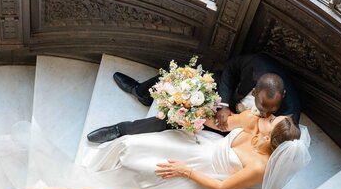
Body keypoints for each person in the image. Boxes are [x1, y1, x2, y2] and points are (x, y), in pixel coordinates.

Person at [78, 111, 310, 189]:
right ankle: (101, 161)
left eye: (272, 120)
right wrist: (188, 110)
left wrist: (185, 171)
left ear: (270, 138)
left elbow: (221, 188)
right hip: (200, 146)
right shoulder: (253, 124)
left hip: (201, 172)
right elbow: (222, 124)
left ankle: (107, 185)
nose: (268, 116)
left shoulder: (259, 167)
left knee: (144, 169)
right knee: (132, 146)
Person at [86, 53, 301, 144]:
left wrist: (230, 124)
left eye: (269, 111)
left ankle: (119, 130)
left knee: (174, 117)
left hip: (233, 132)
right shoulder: (256, 63)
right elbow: (231, 69)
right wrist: (224, 105)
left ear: (283, 96)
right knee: (179, 74)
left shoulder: (290, 113)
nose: (264, 114)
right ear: (254, 91)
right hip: (224, 99)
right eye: (261, 107)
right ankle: (141, 92)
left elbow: (273, 140)